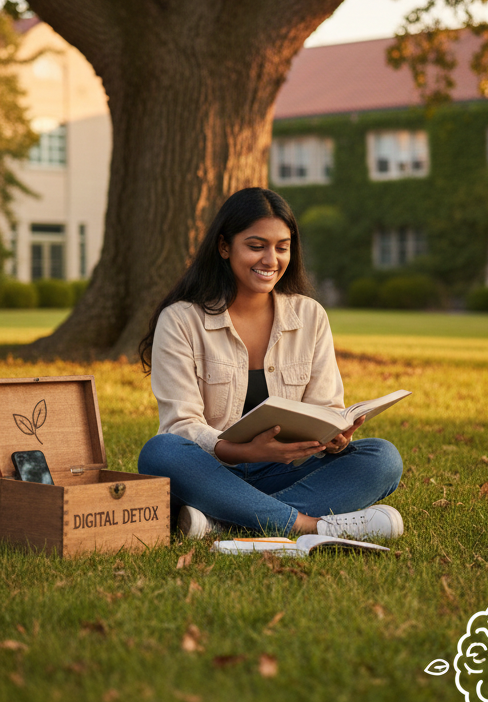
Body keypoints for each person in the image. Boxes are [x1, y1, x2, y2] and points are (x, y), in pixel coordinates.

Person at [137, 188, 404, 539]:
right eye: (256, 245)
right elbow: (181, 424)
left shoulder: (309, 316)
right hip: (210, 468)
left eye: (282, 246)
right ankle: (308, 525)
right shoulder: (182, 320)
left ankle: (221, 521)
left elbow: (325, 407)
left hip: (286, 468)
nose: (271, 259)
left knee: (383, 458)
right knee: (161, 451)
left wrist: (334, 437)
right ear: (224, 247)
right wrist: (243, 450)